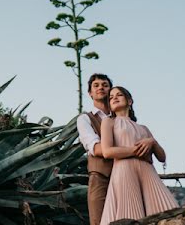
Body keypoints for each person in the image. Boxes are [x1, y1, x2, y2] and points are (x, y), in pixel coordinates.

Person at [99, 86, 178, 225]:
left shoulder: (143, 128)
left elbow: (162, 157)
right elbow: (107, 152)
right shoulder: (108, 122)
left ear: (129, 101)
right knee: (130, 216)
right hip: (124, 172)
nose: (114, 98)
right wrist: (137, 151)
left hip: (148, 173)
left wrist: (152, 141)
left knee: (167, 211)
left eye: (119, 95)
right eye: (111, 97)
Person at [76, 73, 113, 225]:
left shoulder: (121, 118)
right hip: (100, 178)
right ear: (90, 93)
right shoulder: (85, 119)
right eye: (96, 85)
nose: (101, 88)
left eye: (105, 85)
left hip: (125, 174)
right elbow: (96, 149)